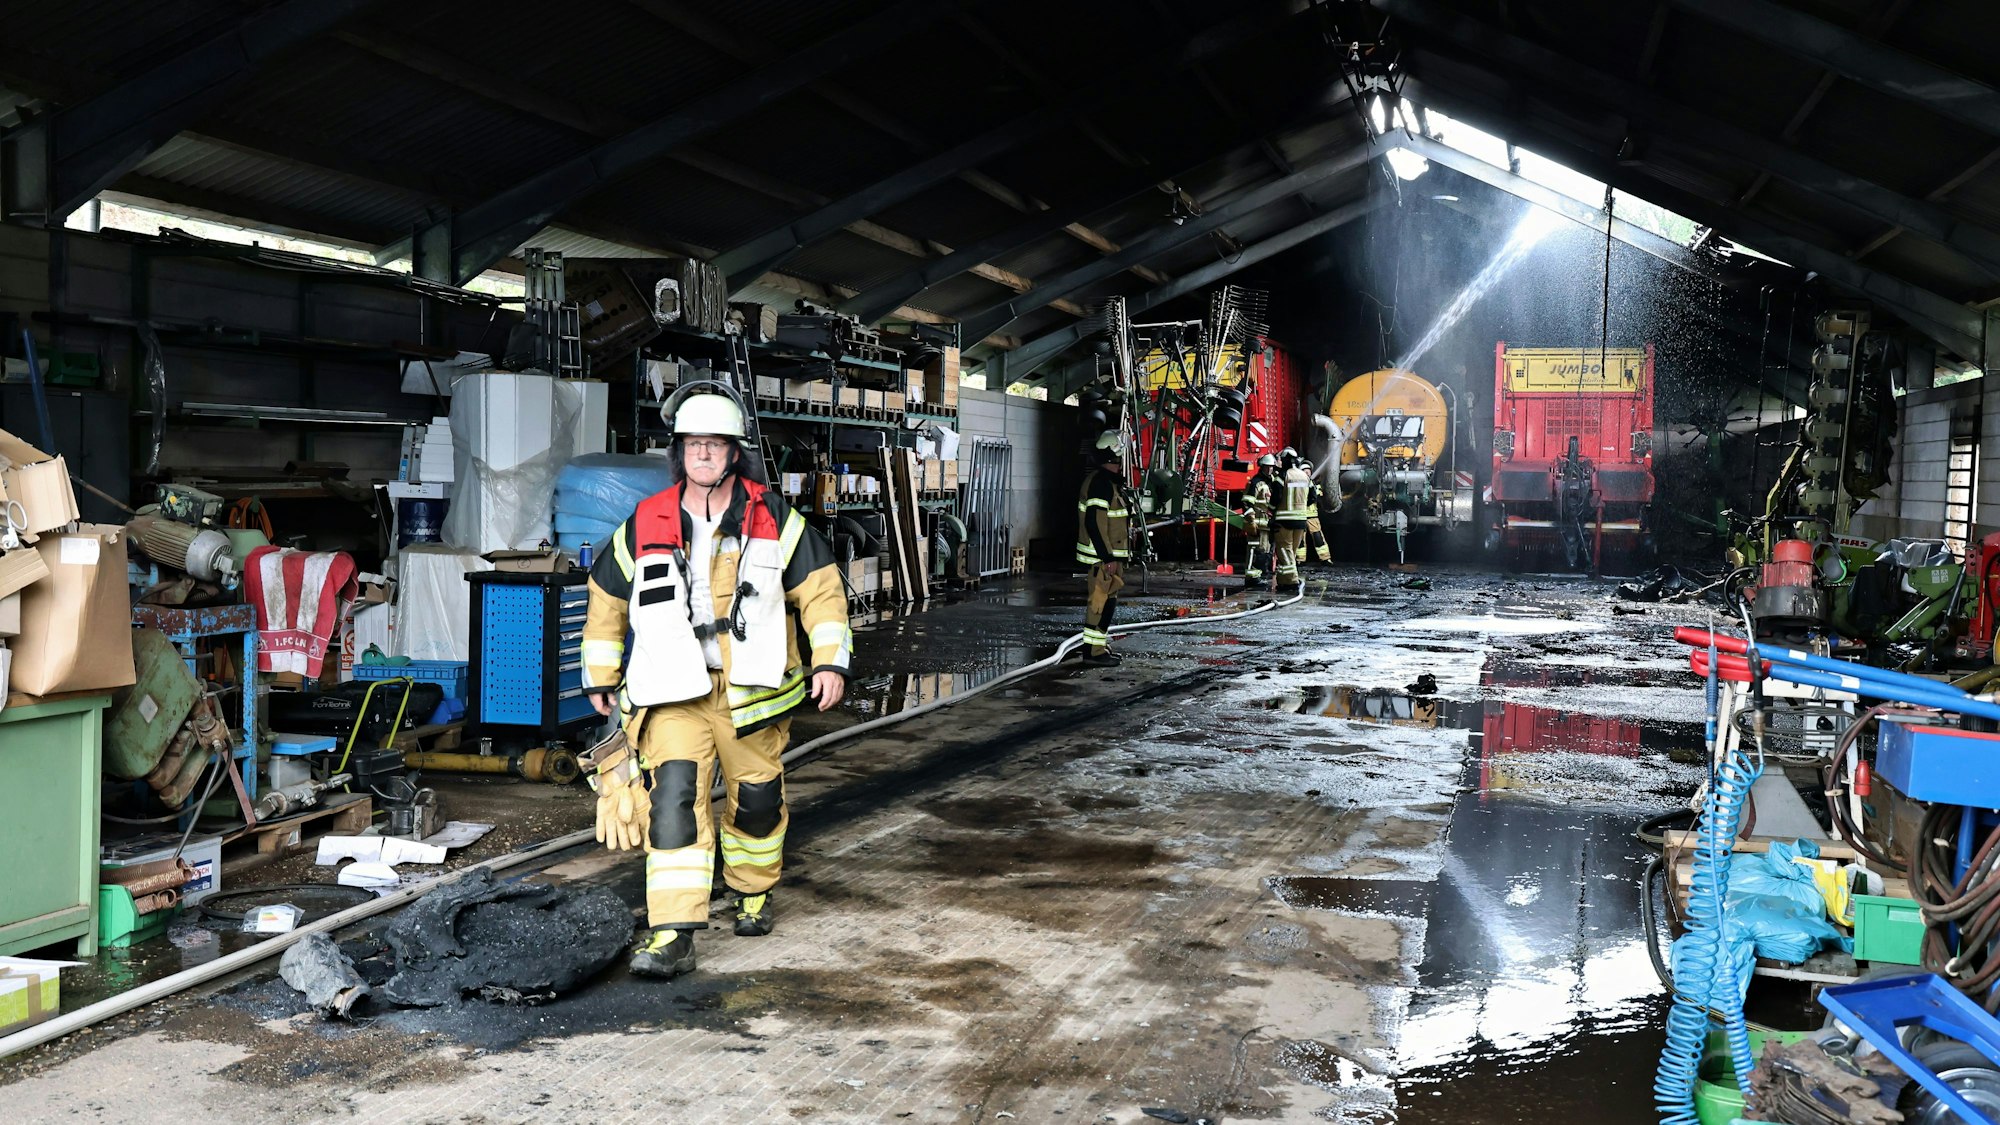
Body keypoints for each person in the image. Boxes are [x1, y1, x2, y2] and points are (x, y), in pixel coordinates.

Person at [580, 387, 851, 980]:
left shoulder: (774, 518)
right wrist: (599, 674)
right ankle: (673, 930)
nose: (703, 454)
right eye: (693, 444)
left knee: (756, 799)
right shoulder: (644, 522)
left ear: (734, 452)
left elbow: (823, 595)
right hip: (673, 695)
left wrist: (830, 661)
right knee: (673, 803)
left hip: (752, 694)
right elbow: (606, 604)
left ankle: (752, 891)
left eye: (715, 444)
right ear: (679, 452)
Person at [1075, 430, 1132, 666]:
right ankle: (1093, 653)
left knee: (1106, 603)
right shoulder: (1100, 484)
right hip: (1102, 558)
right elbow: (1094, 523)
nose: (1120, 465)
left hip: (1109, 557)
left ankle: (1097, 647)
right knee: (1099, 603)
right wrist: (1107, 556)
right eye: (1117, 460)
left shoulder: (1107, 483)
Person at [1274, 458, 1313, 590]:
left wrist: (1271, 511)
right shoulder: (1305, 476)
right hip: (1301, 520)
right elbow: (1313, 496)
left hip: (1284, 520)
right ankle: (1283, 580)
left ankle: (1292, 580)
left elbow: (1276, 497)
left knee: (1285, 550)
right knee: (1292, 552)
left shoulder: (1283, 475)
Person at [1242, 453, 1278, 585]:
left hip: (1268, 524)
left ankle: (1261, 575)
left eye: (1272, 467)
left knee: (1266, 552)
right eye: (1267, 467)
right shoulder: (1255, 482)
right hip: (1257, 523)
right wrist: (1251, 521)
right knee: (1255, 551)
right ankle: (1251, 578)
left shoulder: (1273, 481)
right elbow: (1246, 502)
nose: (1269, 470)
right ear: (1262, 467)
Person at [1300, 459, 1333, 565]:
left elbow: (1318, 498)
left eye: (1309, 471)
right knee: (1300, 539)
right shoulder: (1298, 485)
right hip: (1300, 515)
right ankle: (1299, 559)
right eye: (1305, 471)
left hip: (1312, 515)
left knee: (1318, 537)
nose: (1307, 473)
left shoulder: (1314, 485)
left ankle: (1325, 558)